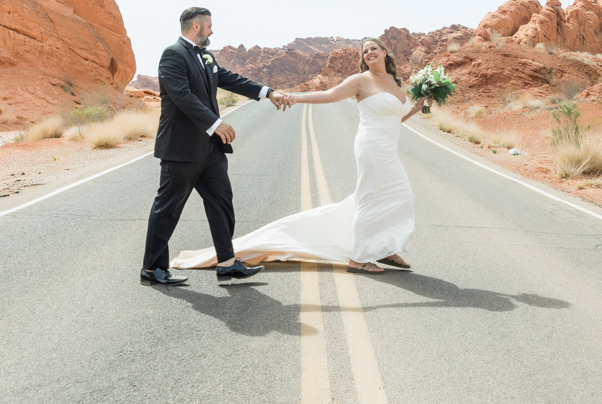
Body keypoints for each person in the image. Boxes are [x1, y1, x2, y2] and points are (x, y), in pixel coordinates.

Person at [174, 36, 426, 274]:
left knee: (399, 196)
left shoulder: (394, 81)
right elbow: (329, 96)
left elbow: (395, 118)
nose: (369, 52)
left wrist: (416, 107)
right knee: (372, 197)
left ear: (384, 52)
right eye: (365, 50)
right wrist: (294, 98)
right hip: (371, 146)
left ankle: (384, 248)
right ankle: (358, 258)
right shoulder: (361, 79)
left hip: (388, 148)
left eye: (374, 48)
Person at [141, 7, 293, 287]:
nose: (213, 30)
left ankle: (226, 264)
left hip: (209, 149)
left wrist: (268, 92)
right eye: (210, 26)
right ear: (196, 26)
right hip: (182, 148)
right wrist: (216, 123)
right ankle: (152, 269)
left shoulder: (205, 56)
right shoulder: (173, 54)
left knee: (221, 202)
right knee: (168, 208)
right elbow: (182, 97)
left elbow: (230, 79)